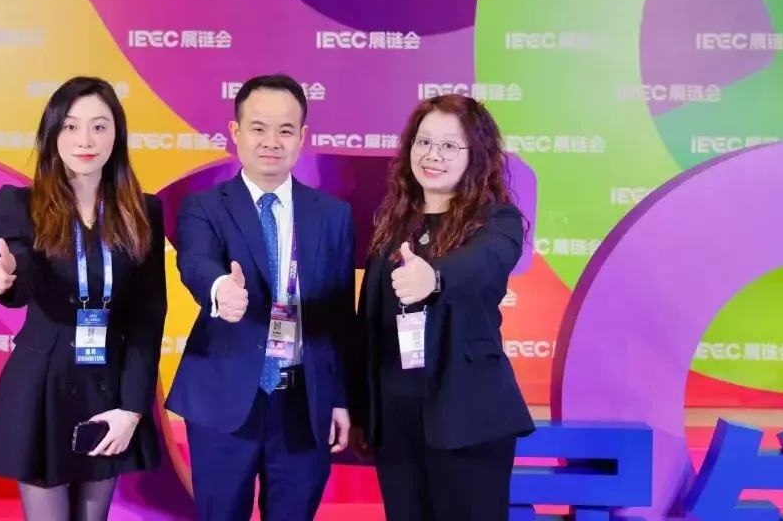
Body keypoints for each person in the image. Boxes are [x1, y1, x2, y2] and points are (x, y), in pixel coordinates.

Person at [165, 74, 357, 521]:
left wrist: (341, 398)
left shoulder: (332, 215)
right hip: (223, 399)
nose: (272, 141)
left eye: (285, 130)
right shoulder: (204, 206)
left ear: (302, 137)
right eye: (258, 128)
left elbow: (341, 318)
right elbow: (195, 262)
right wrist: (219, 289)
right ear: (235, 132)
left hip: (303, 403)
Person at [0, 76, 167, 521]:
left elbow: (148, 316)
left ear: (116, 135)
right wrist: (7, 276)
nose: (85, 140)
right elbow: (21, 269)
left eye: (99, 127)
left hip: (109, 387)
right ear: (53, 133)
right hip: (43, 385)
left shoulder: (143, 211)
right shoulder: (20, 204)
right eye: (71, 126)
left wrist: (133, 408)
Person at [348, 94, 535, 521]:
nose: (433, 155)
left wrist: (433, 279)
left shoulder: (497, 222)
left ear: (476, 155)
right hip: (396, 424)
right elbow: (368, 329)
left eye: (450, 145)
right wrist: (362, 413)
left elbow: (483, 263)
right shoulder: (391, 224)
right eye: (424, 142)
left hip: (469, 419)